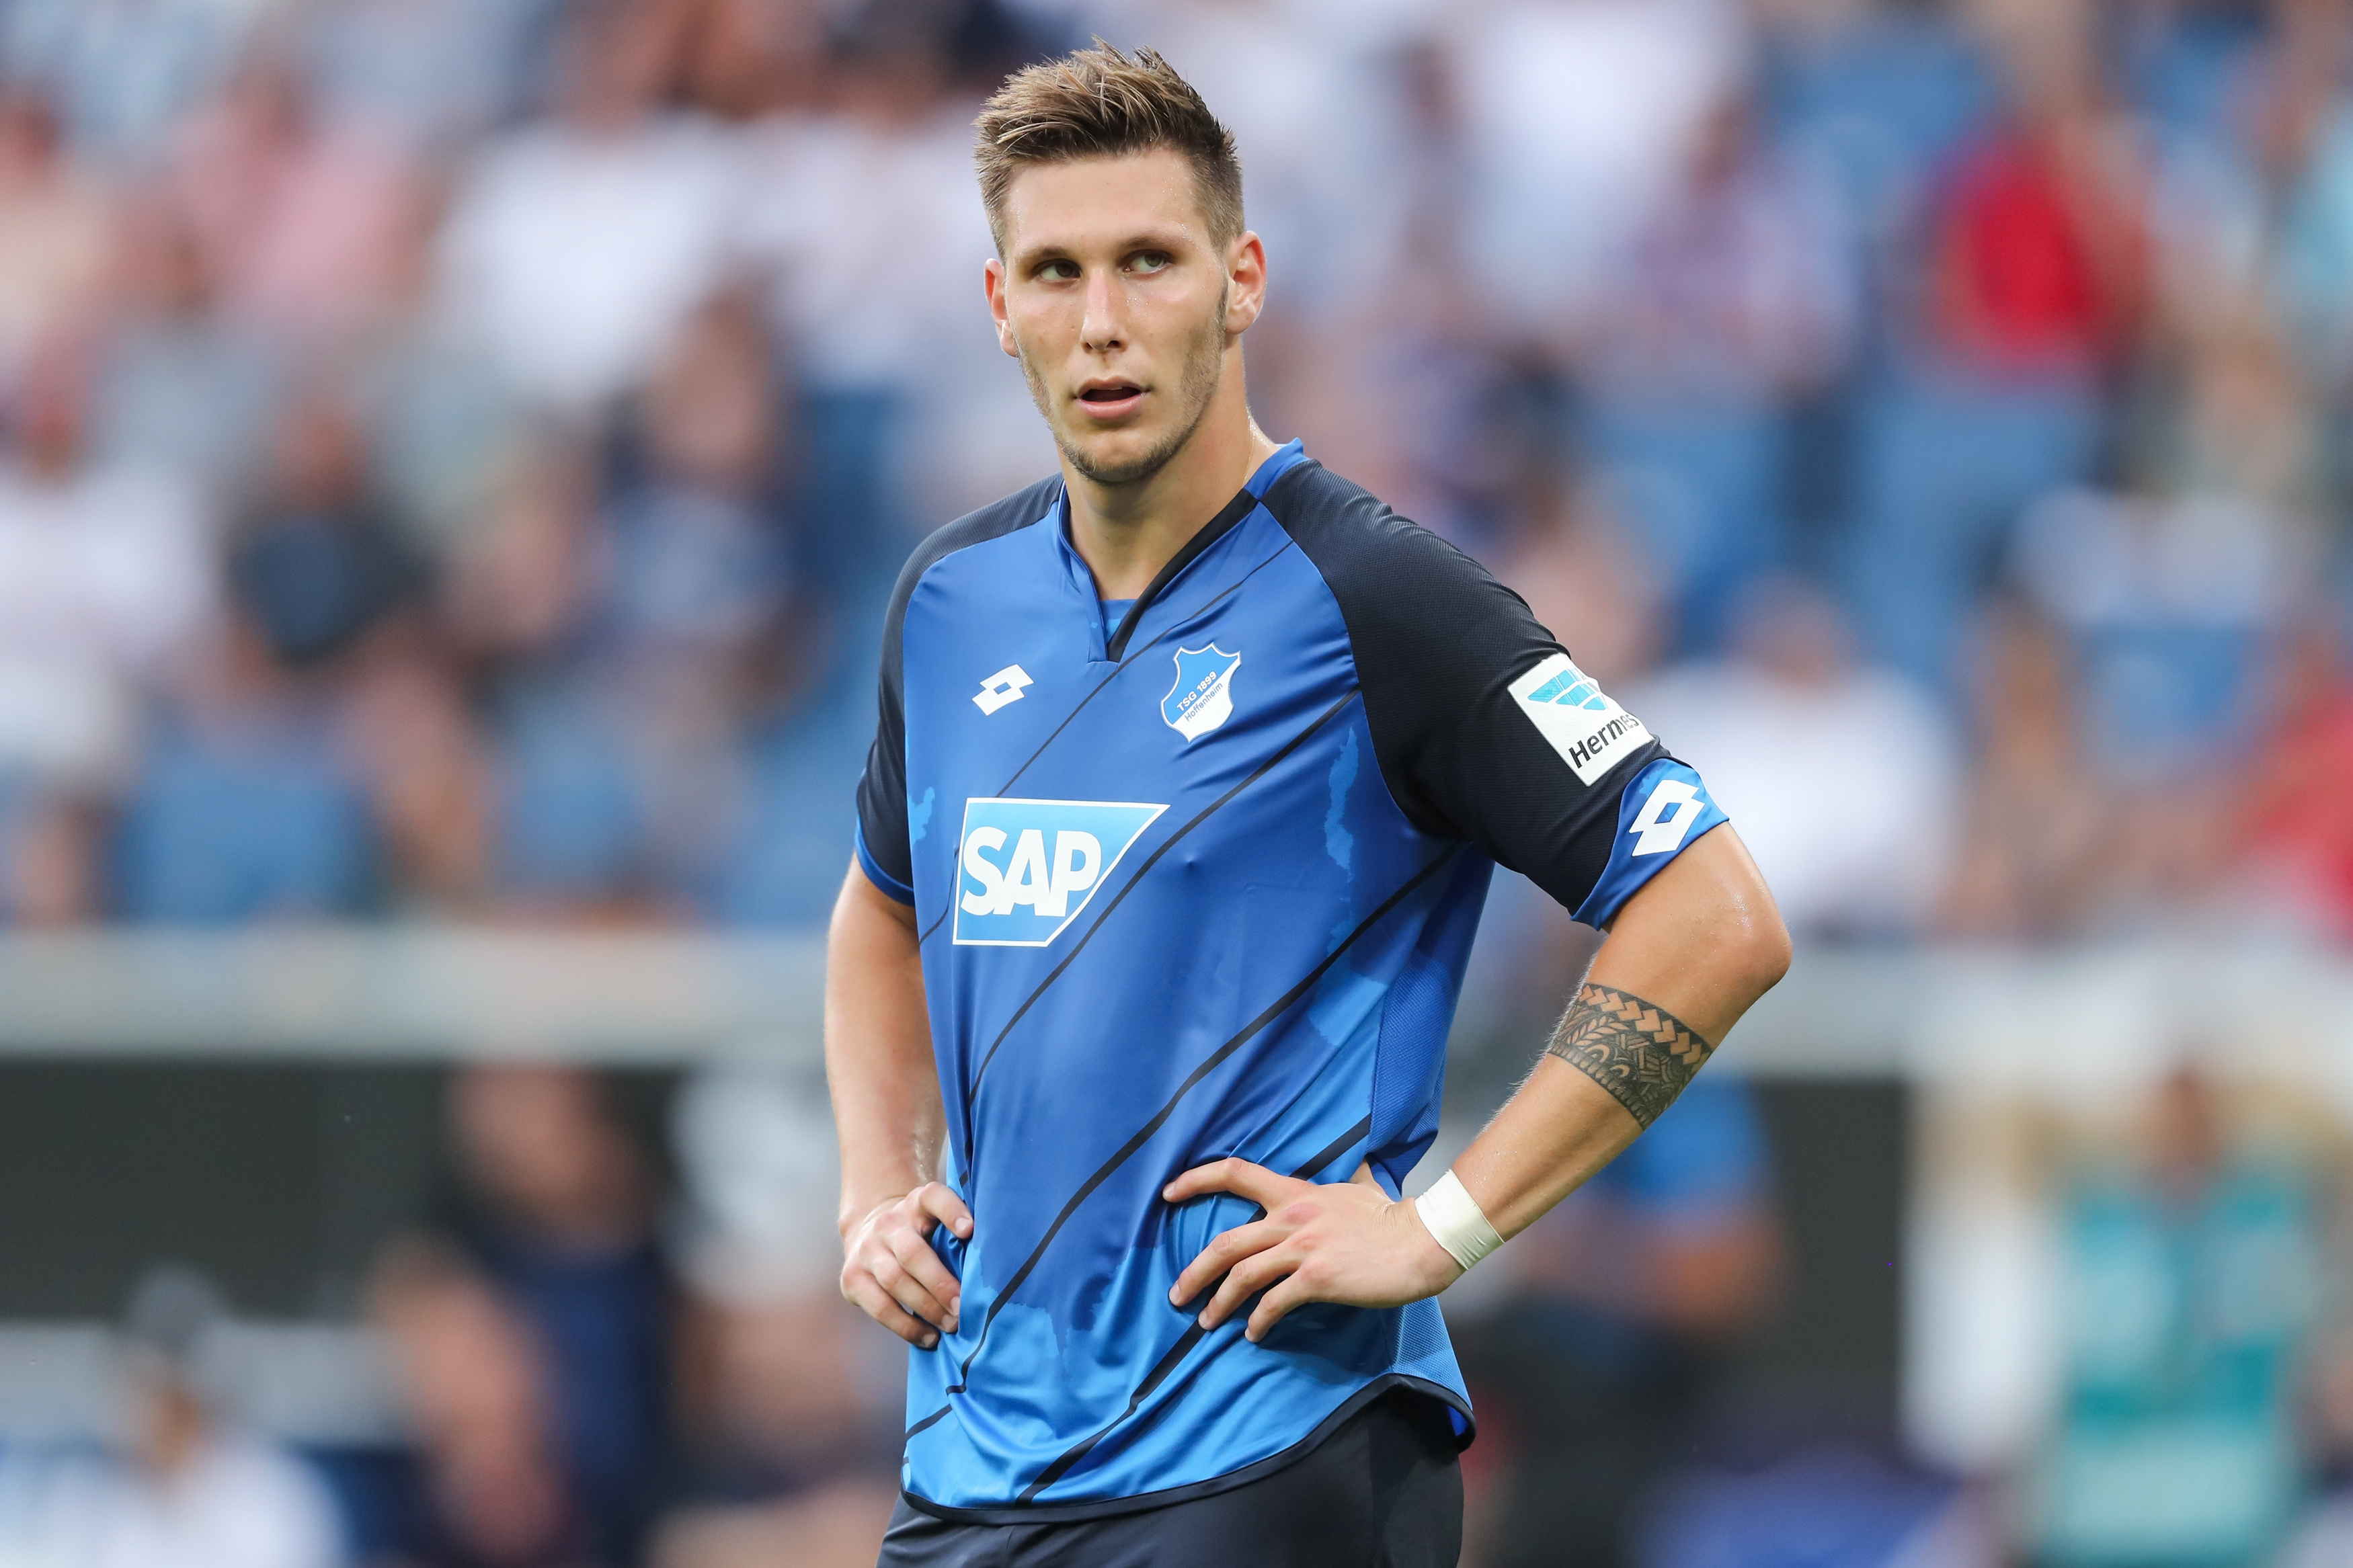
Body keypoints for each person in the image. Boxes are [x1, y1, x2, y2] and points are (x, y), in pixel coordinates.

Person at [824, 44, 1790, 1568]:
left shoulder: (1382, 599)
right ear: (998, 306)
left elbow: (1715, 914)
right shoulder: (948, 601)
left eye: (1150, 261)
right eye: (1055, 271)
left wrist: (1437, 1229)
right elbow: (881, 903)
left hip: (1269, 1451)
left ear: (1241, 278)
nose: (1101, 323)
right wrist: (876, 1188)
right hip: (974, 1473)